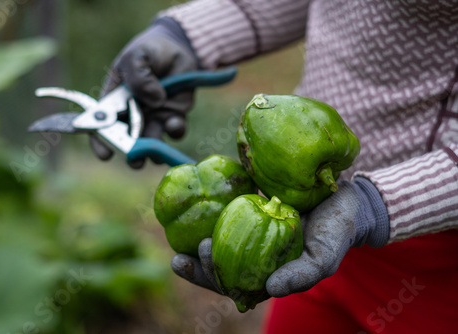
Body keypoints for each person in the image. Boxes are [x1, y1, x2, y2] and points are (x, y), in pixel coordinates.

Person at [100, 1, 458, 333]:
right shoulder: (286, 220)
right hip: (309, 232)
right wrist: (189, 34)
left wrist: (377, 205)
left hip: (434, 259)